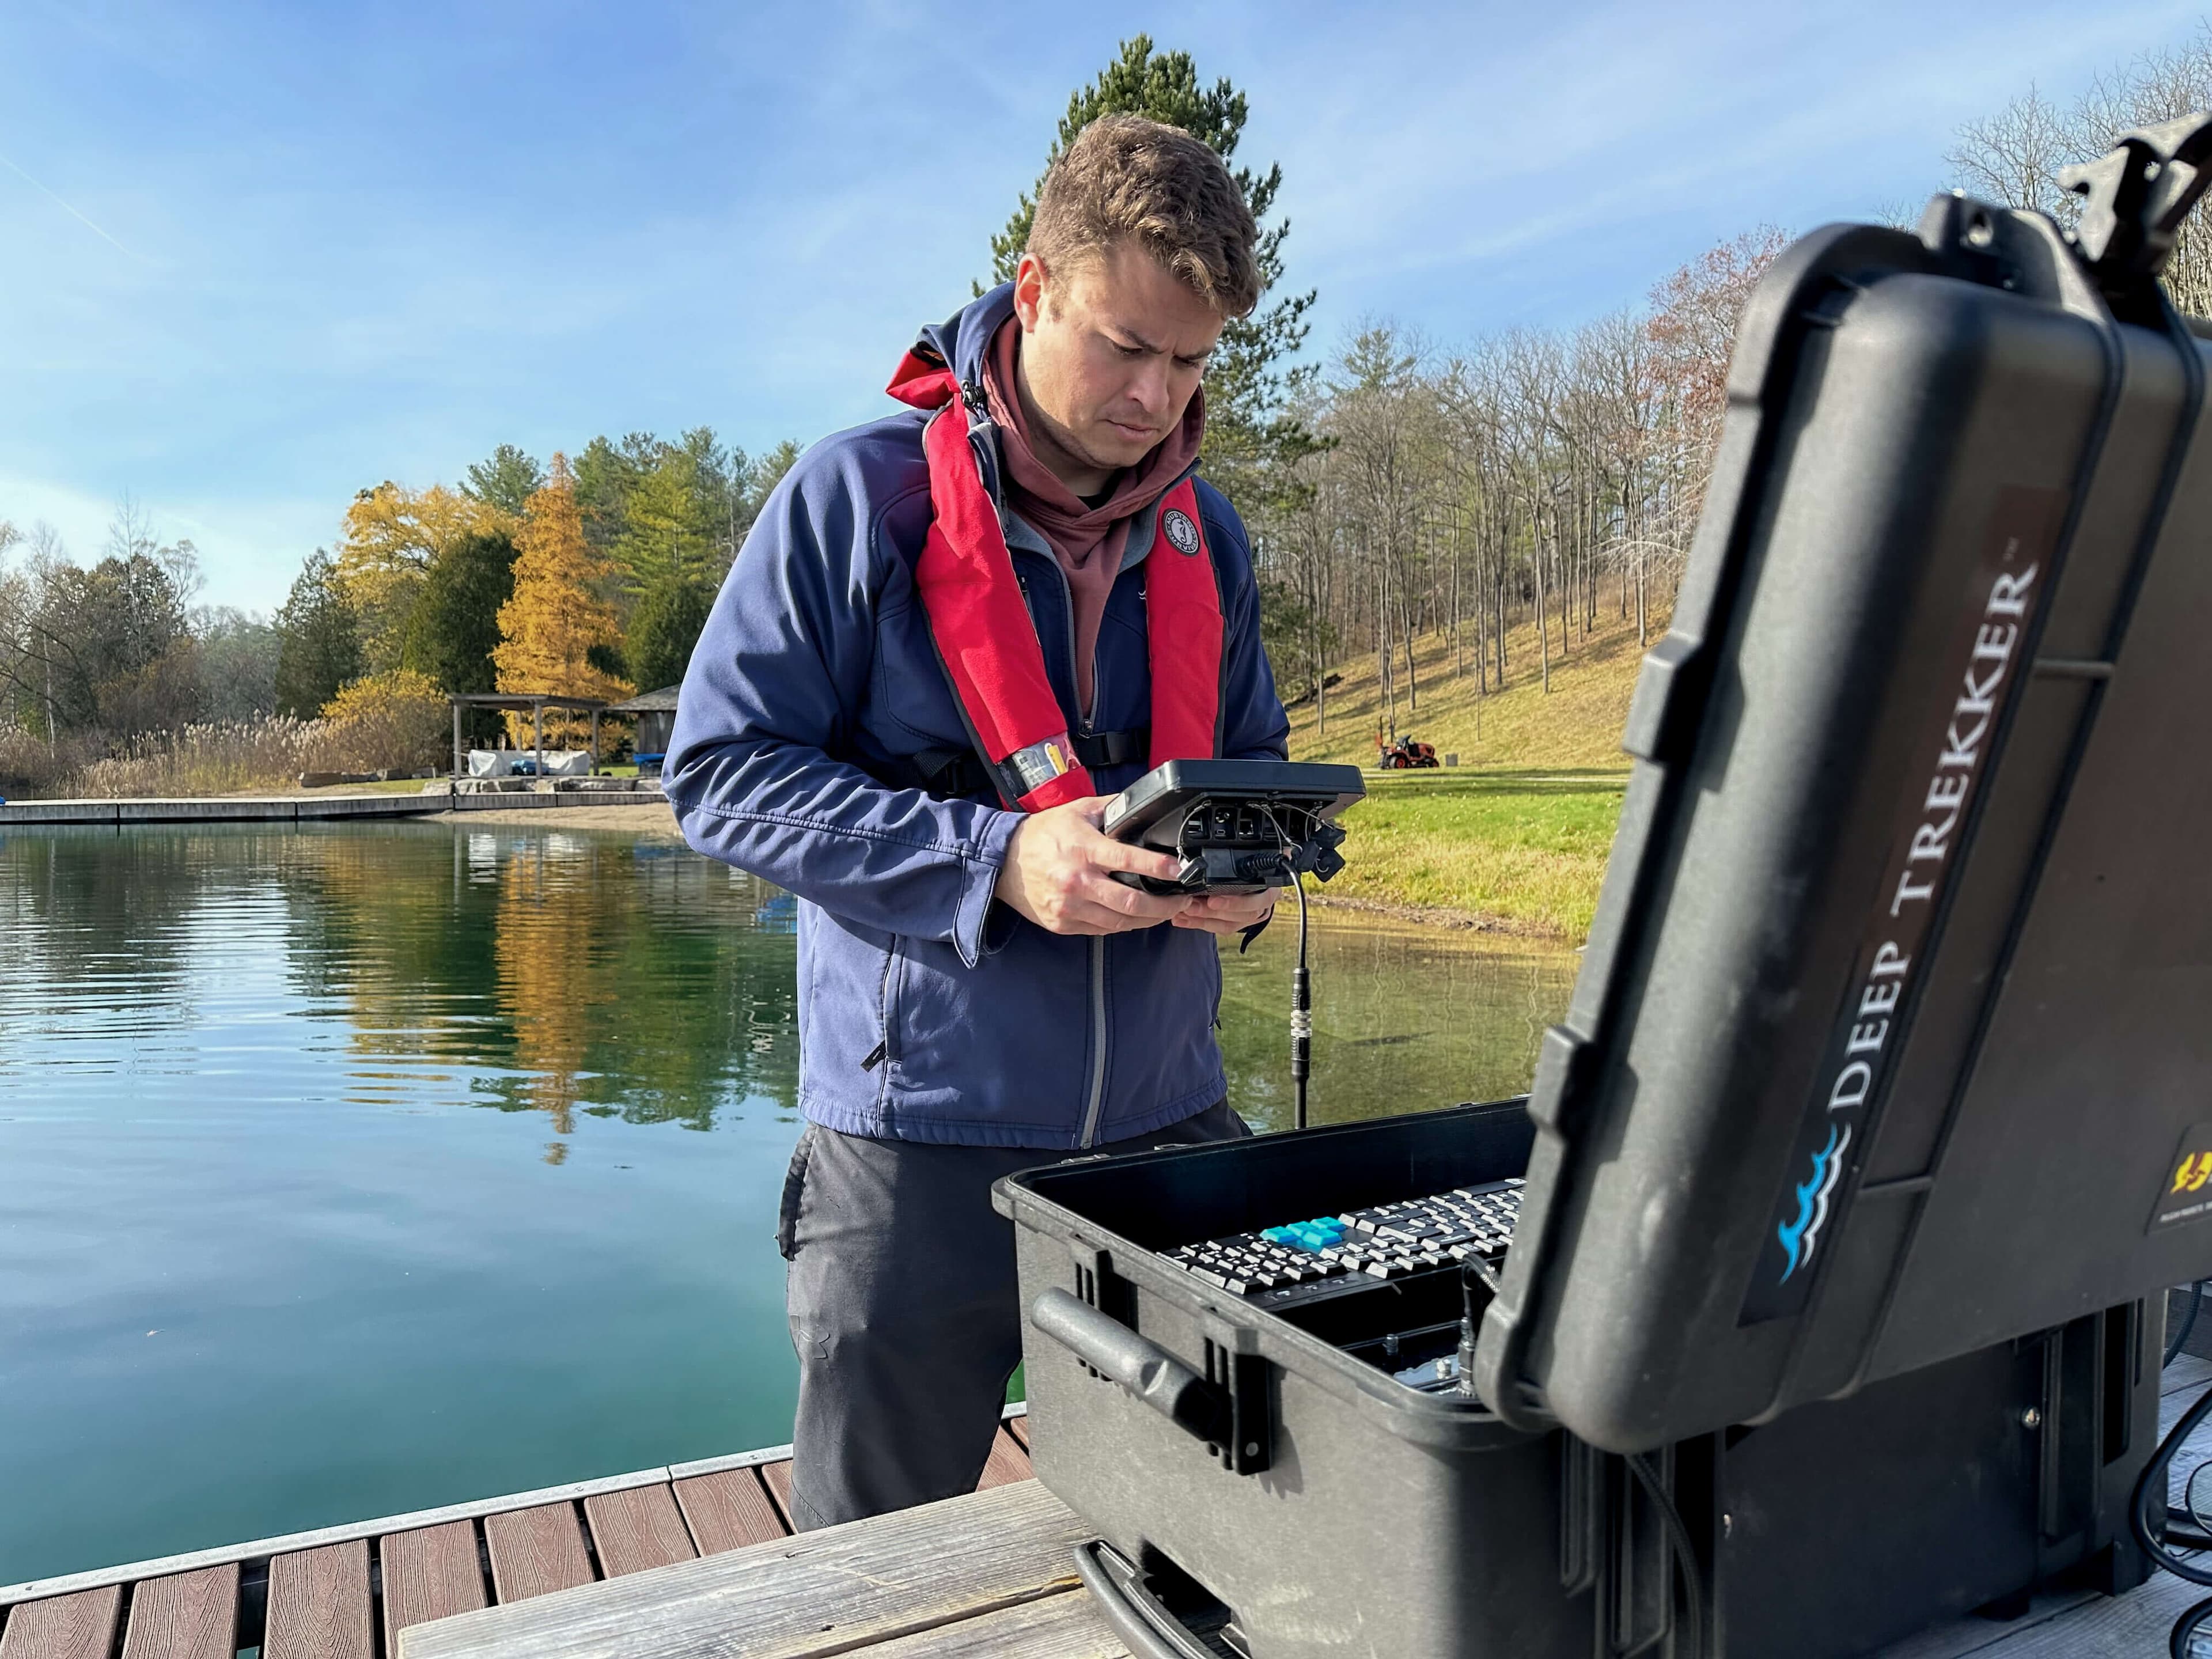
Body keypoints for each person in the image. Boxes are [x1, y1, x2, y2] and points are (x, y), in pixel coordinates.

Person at [664, 114, 1291, 1531]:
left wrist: (1250, 876)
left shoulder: (1216, 535)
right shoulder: (853, 499)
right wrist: (993, 856)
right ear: (1034, 284)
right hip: (913, 1142)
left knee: (1219, 1543)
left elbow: (1257, 759)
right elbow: (719, 773)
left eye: (1192, 362)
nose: (1156, 396)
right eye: (1126, 345)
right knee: (869, 1566)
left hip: (1168, 1122)